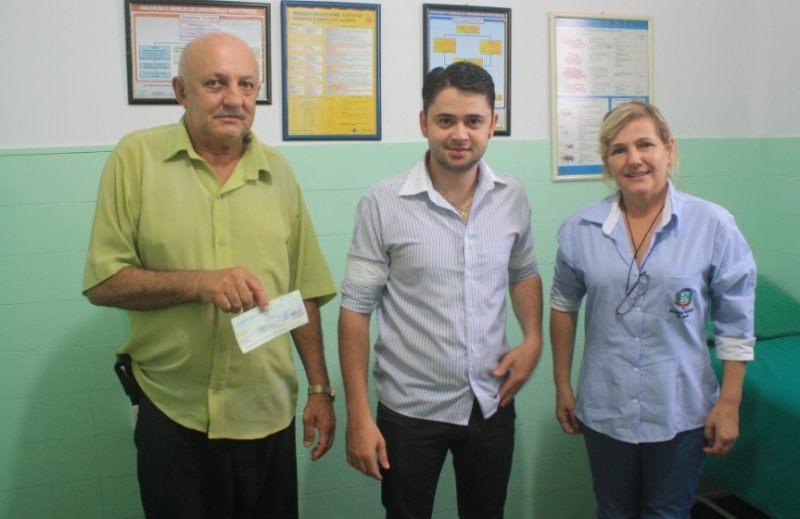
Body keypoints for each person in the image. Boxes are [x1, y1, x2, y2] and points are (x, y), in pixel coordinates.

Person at [82, 33, 337, 519]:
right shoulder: (135, 159)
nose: (234, 99)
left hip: (268, 413)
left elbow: (303, 293)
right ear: (181, 91)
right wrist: (199, 283)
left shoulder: (278, 174)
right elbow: (102, 282)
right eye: (215, 84)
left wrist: (321, 390)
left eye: (246, 85)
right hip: (174, 413)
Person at [338, 61, 543, 519]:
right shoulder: (382, 203)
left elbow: (524, 271)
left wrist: (534, 338)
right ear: (423, 123)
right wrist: (359, 415)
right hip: (410, 410)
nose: (460, 134)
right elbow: (355, 310)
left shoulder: (512, 195)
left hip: (491, 402)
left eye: (473, 120)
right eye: (445, 120)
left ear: (493, 123)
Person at [549, 100, 756, 519]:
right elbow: (562, 306)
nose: (634, 159)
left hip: (680, 409)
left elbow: (736, 322)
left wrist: (729, 403)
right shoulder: (580, 230)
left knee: (668, 511)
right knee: (613, 509)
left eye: (645, 144)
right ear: (608, 163)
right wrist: (562, 385)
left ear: (669, 149)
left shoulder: (713, 225)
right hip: (605, 407)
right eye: (619, 150)